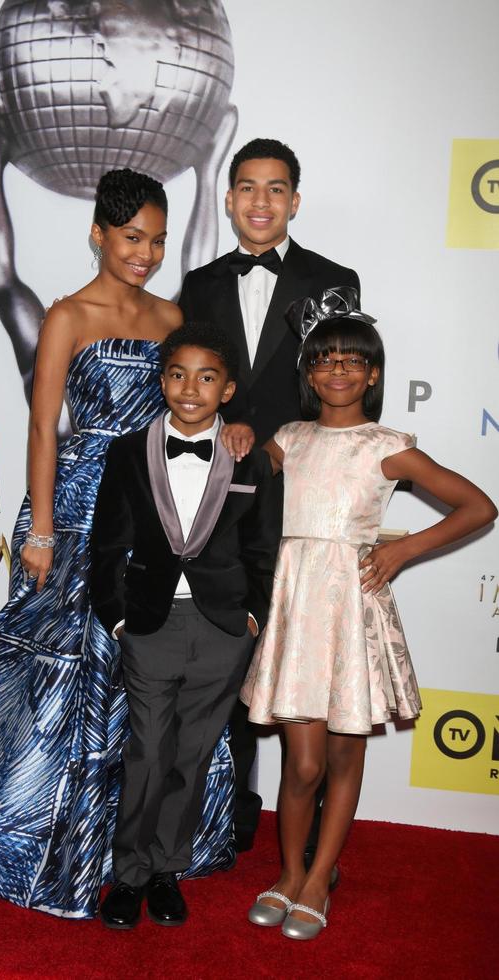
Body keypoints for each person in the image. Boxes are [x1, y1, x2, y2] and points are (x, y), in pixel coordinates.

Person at [0, 170, 235, 920]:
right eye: (133, 237)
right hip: (73, 513)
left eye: (158, 239)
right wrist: (39, 529)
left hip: (152, 508)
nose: (146, 252)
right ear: (99, 234)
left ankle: (137, 851)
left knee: (146, 675)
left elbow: (191, 404)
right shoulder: (67, 315)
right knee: (54, 679)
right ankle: (43, 841)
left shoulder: (173, 315)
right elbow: (44, 427)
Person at [241, 287, 497, 940]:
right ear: (307, 370)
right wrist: (236, 433)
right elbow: (235, 478)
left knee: (343, 759)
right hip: (297, 609)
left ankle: (318, 878)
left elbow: (478, 506)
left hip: (351, 610)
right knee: (301, 766)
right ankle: (290, 873)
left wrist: (406, 548)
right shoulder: (289, 440)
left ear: (373, 373)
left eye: (351, 361)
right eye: (324, 359)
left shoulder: (386, 445)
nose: (337, 371)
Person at [179, 137, 360, 853]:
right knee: (230, 653)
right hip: (220, 499)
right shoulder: (197, 284)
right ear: (228, 200)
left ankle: (310, 831)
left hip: (304, 496)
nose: (261, 202)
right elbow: (189, 385)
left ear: (295, 199)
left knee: (303, 661)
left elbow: (342, 387)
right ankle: (228, 812)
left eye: (276, 188)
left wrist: (283, 435)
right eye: (247, 188)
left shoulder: (332, 278)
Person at [89, 323, 277, 928]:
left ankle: (168, 869)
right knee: (146, 751)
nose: (189, 388)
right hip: (149, 621)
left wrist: (253, 619)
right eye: (177, 373)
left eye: (206, 376)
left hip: (223, 627)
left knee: (191, 756)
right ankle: (128, 875)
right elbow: (107, 544)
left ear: (228, 390)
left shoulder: (250, 454)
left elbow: (263, 550)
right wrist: (117, 618)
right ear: (161, 379)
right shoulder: (128, 450)